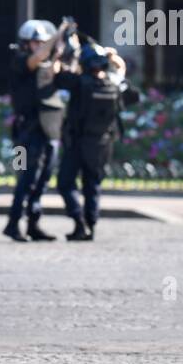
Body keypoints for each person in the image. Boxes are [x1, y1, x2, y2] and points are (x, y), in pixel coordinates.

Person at [54, 42, 126, 241]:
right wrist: (112, 56)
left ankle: (79, 221)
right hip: (103, 143)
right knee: (92, 184)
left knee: (66, 183)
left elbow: (57, 73)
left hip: (78, 141)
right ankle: (91, 226)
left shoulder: (78, 82)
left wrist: (63, 54)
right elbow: (121, 68)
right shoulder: (112, 82)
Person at [4, 19, 67, 242]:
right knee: (25, 177)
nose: (40, 46)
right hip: (25, 130)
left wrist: (59, 51)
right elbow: (37, 59)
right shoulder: (20, 61)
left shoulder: (46, 63)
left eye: (42, 42)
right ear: (25, 43)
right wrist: (58, 33)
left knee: (43, 177)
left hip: (48, 128)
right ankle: (13, 223)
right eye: (35, 42)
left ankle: (33, 224)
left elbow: (51, 69)